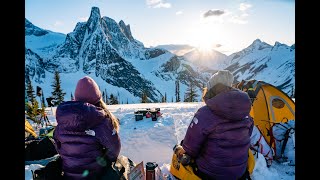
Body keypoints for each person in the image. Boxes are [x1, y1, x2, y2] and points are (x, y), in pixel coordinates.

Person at [174, 70, 254, 180]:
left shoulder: (204, 113)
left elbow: (190, 148)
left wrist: (181, 149)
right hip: (239, 172)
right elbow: (248, 134)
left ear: (212, 89)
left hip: (211, 174)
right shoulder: (245, 113)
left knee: (179, 153)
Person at [53, 76, 121, 179]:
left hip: (69, 176)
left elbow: (58, 145)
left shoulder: (63, 119)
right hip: (95, 175)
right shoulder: (101, 120)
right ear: (97, 99)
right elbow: (114, 149)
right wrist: (105, 161)